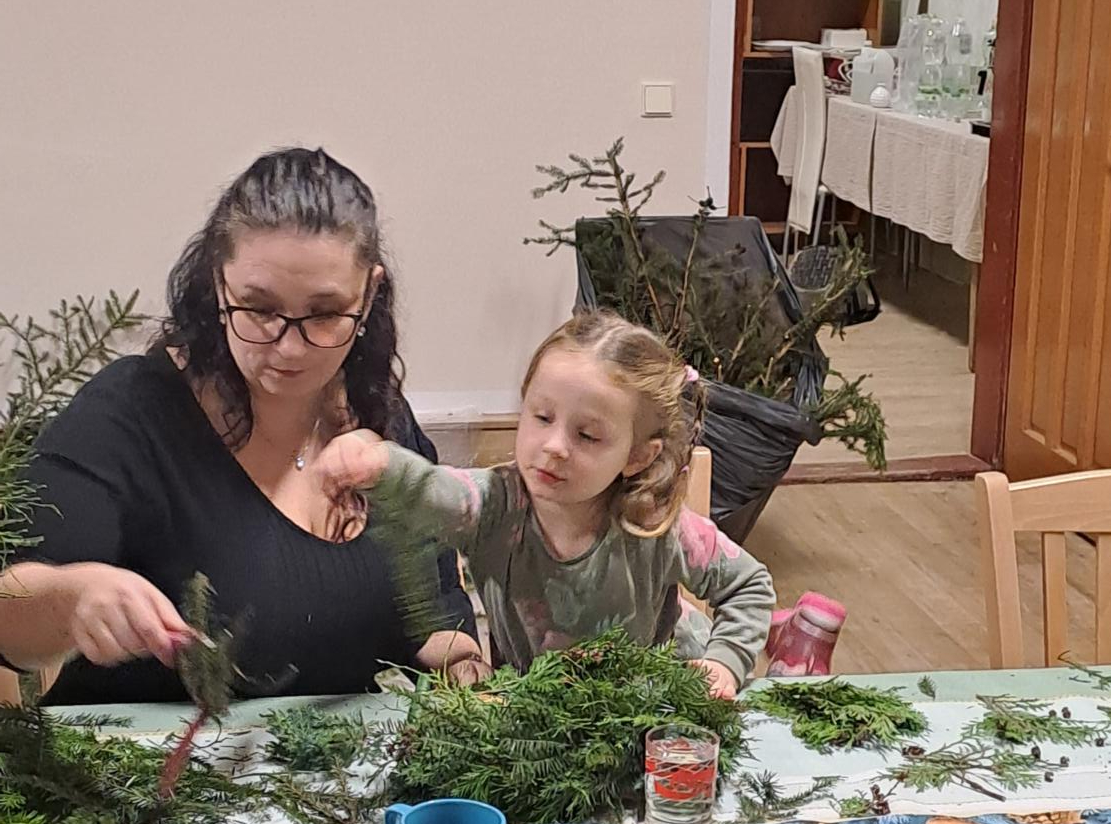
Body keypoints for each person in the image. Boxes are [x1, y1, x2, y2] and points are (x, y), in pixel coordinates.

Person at [0, 148, 482, 704]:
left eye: (325, 314)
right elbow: (10, 612)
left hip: (341, 760)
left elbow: (439, 613)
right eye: (260, 309)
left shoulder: (383, 418)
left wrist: (470, 677)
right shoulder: (129, 414)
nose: (290, 347)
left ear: (369, 294)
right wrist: (72, 599)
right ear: (218, 282)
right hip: (148, 759)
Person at [315, 310, 775, 697]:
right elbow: (432, 491)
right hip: (535, 728)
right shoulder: (493, 506)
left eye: (587, 435)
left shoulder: (656, 526)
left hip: (645, 709)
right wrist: (381, 464)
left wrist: (724, 663)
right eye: (541, 417)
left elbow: (749, 585)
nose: (554, 446)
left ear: (637, 456)